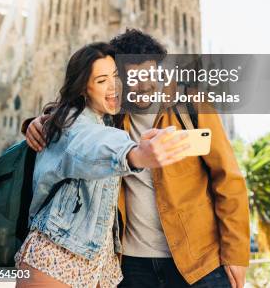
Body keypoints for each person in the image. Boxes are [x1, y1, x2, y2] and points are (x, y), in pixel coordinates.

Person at [25, 30, 250, 288]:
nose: (143, 86)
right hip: (132, 265)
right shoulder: (114, 117)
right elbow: (79, 127)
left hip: (198, 261)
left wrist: (236, 253)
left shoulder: (191, 104)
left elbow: (228, 179)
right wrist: (40, 122)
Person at [16, 42, 189, 288]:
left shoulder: (108, 119)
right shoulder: (70, 123)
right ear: (83, 89)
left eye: (116, 76)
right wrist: (134, 154)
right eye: (100, 80)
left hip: (101, 263)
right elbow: (88, 143)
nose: (113, 86)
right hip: (55, 254)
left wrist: (36, 121)